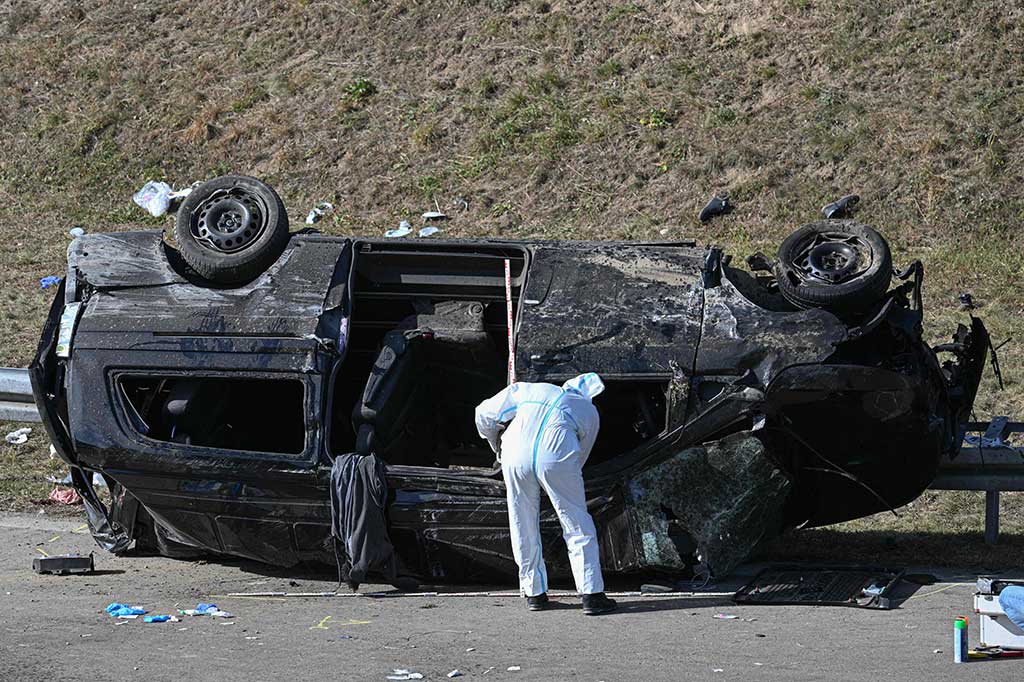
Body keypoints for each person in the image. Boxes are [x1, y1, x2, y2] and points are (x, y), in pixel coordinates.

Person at [475, 372, 617, 615]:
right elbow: (581, 454)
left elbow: (483, 414)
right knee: (575, 521)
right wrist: (561, 479)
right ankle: (591, 594)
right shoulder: (588, 410)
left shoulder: (531, 389)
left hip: (515, 454)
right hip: (556, 457)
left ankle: (534, 593)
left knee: (522, 520)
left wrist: (494, 443)